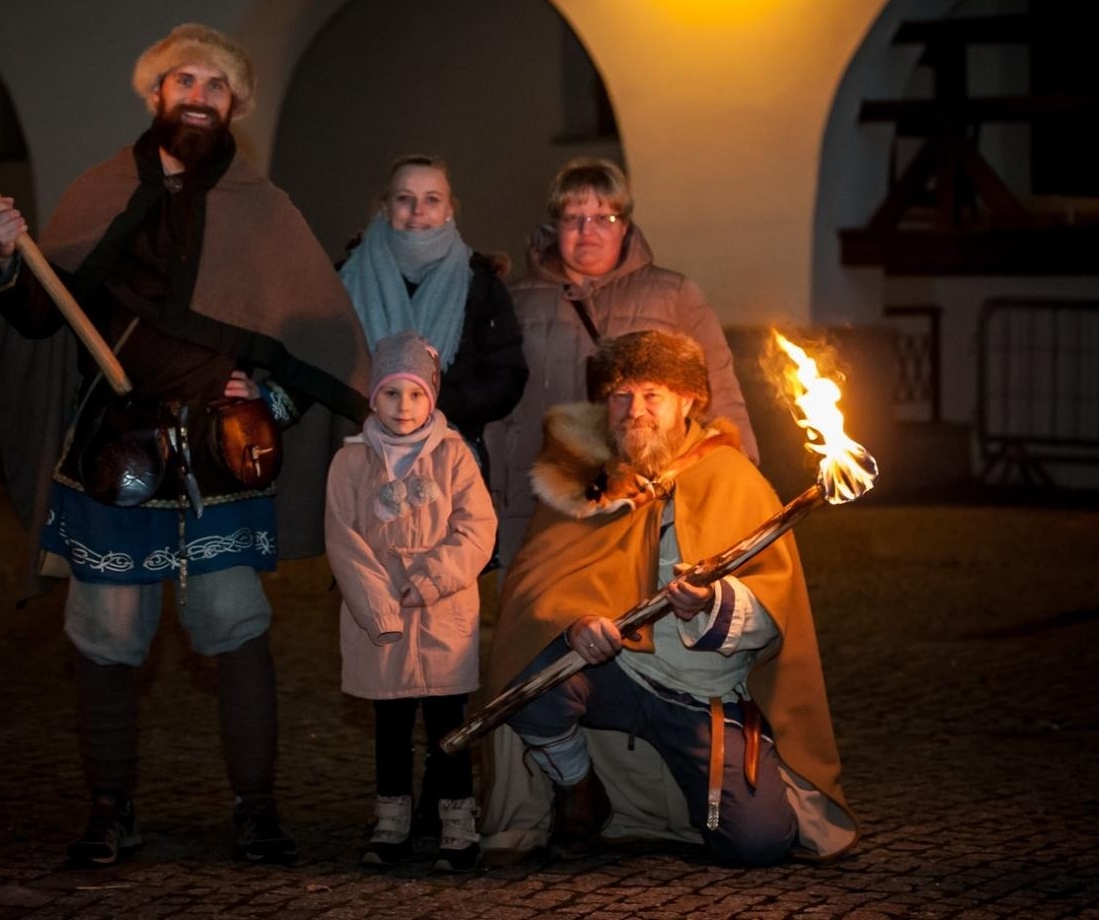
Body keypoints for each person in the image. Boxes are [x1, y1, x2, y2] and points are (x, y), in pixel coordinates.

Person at [0, 24, 369, 866]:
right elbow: (40, 314)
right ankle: (110, 810)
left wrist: (267, 393)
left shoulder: (262, 208)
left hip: (219, 459)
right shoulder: (98, 190)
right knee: (107, 631)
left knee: (235, 622)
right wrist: (9, 258)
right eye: (182, 79)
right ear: (154, 94)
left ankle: (256, 811)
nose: (198, 94)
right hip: (112, 456)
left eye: (216, 85)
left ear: (233, 107)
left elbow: (320, 336)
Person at [479, 330, 856, 865]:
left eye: (653, 395)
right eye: (621, 396)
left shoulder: (733, 478)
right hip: (614, 676)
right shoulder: (582, 476)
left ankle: (706, 801)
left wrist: (711, 605)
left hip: (701, 697)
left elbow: (776, 610)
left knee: (756, 844)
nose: (636, 411)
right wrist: (574, 622)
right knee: (530, 671)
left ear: (688, 401)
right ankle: (579, 786)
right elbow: (535, 592)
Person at [485, 159, 759, 572]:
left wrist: (743, 479)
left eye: (603, 217)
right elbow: (497, 410)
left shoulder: (674, 296)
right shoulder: (517, 302)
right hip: (541, 501)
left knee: (639, 619)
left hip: (647, 500)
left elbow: (720, 391)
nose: (586, 230)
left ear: (625, 225)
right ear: (555, 226)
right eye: (573, 217)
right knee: (547, 621)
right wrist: (488, 495)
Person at [324, 330, 497, 872]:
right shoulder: (350, 463)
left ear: (433, 397)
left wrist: (430, 579)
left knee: (449, 722)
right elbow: (343, 539)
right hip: (380, 612)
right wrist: (378, 605)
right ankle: (392, 822)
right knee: (391, 723)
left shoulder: (453, 456)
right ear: (373, 397)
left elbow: (476, 528)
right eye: (392, 394)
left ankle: (456, 824)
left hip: (442, 612)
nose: (405, 406)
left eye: (416, 394)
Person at [337, 154, 527, 474]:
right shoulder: (343, 281)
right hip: (363, 465)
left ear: (450, 209)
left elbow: (507, 378)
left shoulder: (481, 286)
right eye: (404, 199)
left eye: (432, 200)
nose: (418, 211)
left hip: (452, 465)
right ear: (385, 206)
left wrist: (437, 404)